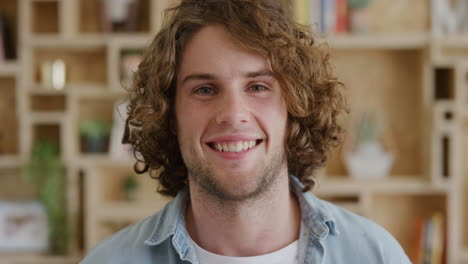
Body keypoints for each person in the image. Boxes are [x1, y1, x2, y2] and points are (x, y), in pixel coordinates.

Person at [82, 0, 411, 263]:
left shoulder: (375, 255)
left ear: (294, 106)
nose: (234, 114)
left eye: (257, 86)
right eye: (205, 90)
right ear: (170, 114)